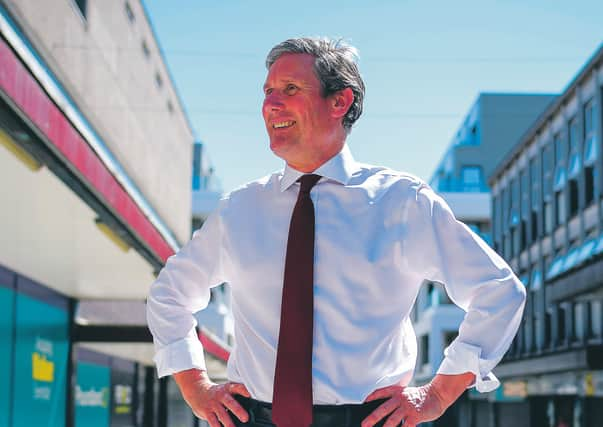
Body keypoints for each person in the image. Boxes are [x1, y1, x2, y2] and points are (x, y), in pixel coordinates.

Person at [146, 37, 526, 427]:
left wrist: (439, 393)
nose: (271, 104)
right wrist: (195, 386)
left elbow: (499, 291)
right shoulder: (239, 209)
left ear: (339, 102)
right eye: (268, 92)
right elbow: (168, 295)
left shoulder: (402, 202)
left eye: (290, 89)